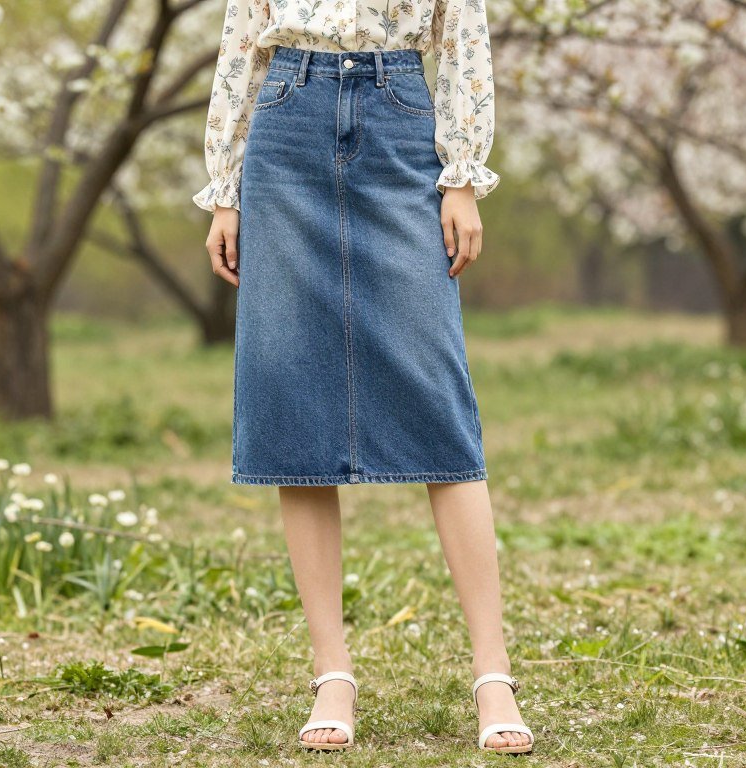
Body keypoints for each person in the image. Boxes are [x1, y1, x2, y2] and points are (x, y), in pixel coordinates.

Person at [193, 0, 533, 755]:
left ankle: (493, 672)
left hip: (400, 113)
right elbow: (242, 41)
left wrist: (462, 178)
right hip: (286, 121)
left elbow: (463, 33)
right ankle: (332, 673)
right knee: (293, 400)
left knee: (438, 401)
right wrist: (225, 189)